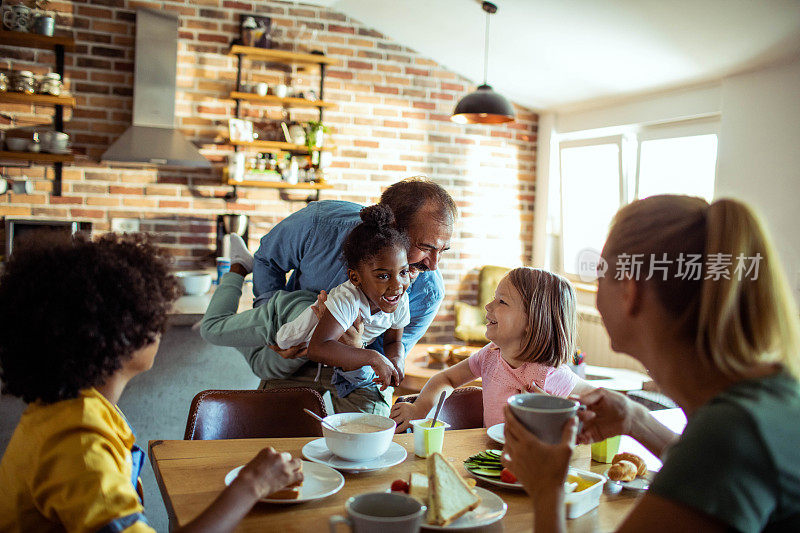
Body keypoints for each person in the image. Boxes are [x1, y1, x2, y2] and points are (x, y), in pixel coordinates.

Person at [502, 195, 800, 532]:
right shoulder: (764, 401)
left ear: (631, 290)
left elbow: (718, 460)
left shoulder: (729, 435)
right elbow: (708, 473)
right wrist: (636, 420)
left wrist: (546, 490)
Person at [0, 233, 303, 533]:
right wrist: (253, 484)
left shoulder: (72, 409)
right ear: (111, 336)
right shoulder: (80, 444)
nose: (159, 325)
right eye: (147, 316)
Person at [238, 177, 457, 415]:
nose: (434, 265)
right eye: (425, 247)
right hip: (295, 356)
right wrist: (273, 322)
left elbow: (390, 352)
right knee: (267, 430)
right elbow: (268, 259)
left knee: (371, 443)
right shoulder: (320, 224)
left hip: (359, 373)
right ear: (392, 228)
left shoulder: (427, 293)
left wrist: (360, 352)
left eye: (442, 250)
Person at [201, 205, 413, 407]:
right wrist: (374, 357)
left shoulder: (400, 299)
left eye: (403, 272)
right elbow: (319, 347)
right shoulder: (348, 299)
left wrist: (396, 360)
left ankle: (243, 336)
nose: (397, 285)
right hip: (285, 316)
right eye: (383, 276)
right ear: (355, 278)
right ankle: (239, 266)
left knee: (267, 368)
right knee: (211, 329)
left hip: (302, 341)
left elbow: (394, 340)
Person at [391, 268, 594, 432]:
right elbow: (447, 379)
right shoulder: (490, 355)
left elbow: (601, 404)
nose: (488, 306)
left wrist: (556, 409)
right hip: (488, 458)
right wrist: (419, 408)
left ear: (532, 321)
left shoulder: (548, 374)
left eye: (501, 302)